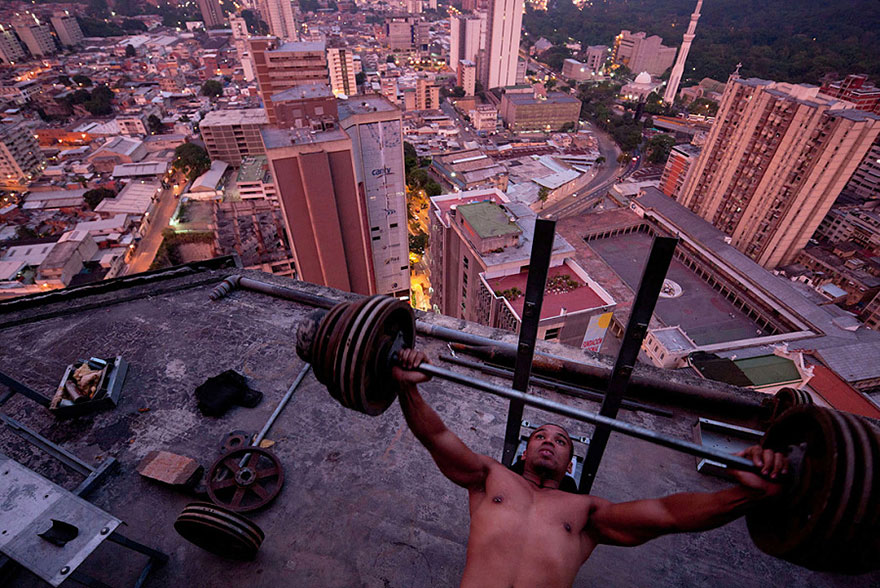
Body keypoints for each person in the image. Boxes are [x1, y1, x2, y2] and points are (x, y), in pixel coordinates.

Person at [392, 349, 789, 587]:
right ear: (524, 452)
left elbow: (667, 515)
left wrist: (746, 495)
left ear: (570, 465)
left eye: (561, 441)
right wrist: (407, 387)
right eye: (540, 436)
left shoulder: (587, 513)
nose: (549, 441)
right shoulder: (489, 477)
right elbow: (437, 436)